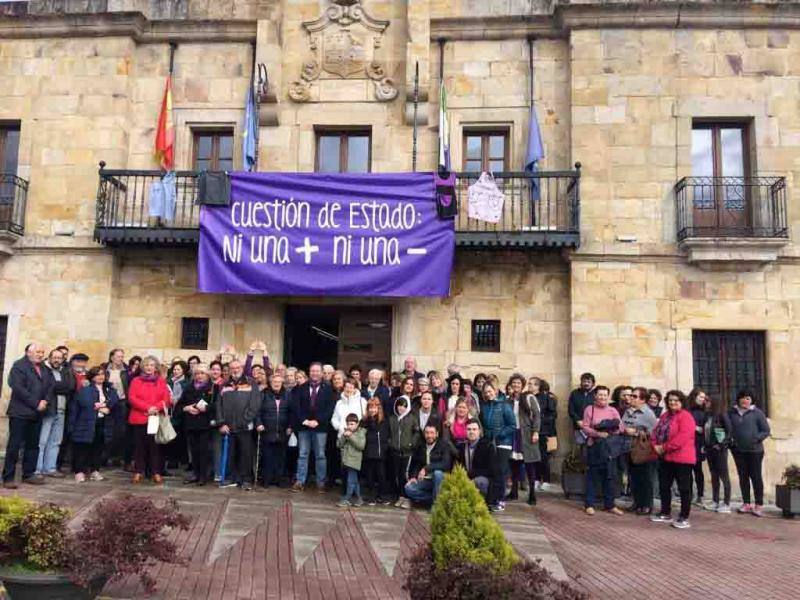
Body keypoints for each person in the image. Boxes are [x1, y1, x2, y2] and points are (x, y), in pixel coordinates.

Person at [3, 343, 51, 488]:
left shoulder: (44, 368)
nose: (40, 355)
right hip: (20, 412)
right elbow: (18, 387)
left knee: (33, 445)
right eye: (37, 352)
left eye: (42, 352)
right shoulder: (19, 366)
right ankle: (8, 478)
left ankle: (28, 474)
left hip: (37, 413)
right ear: (28, 353)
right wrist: (36, 403)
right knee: (14, 446)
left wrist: (45, 401)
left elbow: (51, 386)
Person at [650, 390, 696, 529]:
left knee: (684, 488)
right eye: (670, 400)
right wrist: (655, 446)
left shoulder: (686, 417)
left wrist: (664, 447)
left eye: (676, 400)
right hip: (665, 457)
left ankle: (684, 516)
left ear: (681, 402)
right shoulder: (665, 416)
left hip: (682, 458)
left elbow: (683, 437)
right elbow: (655, 432)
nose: (673, 402)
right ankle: (665, 512)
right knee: (664, 486)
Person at [216, 359, 261, 491]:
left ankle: (246, 479)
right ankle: (230, 478)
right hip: (228, 427)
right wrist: (222, 423)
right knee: (230, 454)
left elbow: (255, 404)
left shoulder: (251, 382)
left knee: (246, 454)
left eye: (237, 367)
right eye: (232, 368)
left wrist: (245, 419)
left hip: (245, 426)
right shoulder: (224, 384)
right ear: (229, 369)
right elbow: (218, 405)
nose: (235, 370)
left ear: (241, 367)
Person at [581, 386, 625, 516]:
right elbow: (585, 427)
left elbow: (621, 427)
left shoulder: (612, 410)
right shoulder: (590, 409)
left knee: (609, 476)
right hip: (595, 446)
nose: (603, 397)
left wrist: (612, 430)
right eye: (600, 395)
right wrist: (597, 433)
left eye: (605, 395)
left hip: (610, 447)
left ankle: (610, 505)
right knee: (592, 476)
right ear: (595, 396)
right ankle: (589, 504)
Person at [127, 356, 172, 484]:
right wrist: (147, 407)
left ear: (155, 368)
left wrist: (155, 408)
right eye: (146, 365)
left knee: (155, 446)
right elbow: (132, 397)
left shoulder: (161, 381)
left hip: (155, 417)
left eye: (152, 365)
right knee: (139, 446)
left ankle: (155, 472)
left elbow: (166, 399)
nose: (149, 368)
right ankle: (138, 471)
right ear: (142, 367)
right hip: (139, 416)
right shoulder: (136, 381)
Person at [291, 362, 334, 493]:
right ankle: (300, 481)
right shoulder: (301, 388)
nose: (315, 373)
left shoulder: (328, 389)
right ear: (309, 372)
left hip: (320, 428)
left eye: (317, 371)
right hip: (304, 427)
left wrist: (318, 421)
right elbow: (296, 406)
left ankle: (321, 483)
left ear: (321, 373)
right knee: (303, 454)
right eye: (312, 371)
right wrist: (305, 420)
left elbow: (330, 408)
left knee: (320, 455)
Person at [70, 366, 118, 482]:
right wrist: (99, 407)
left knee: (98, 447)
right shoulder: (86, 389)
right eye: (97, 374)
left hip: (102, 422)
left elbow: (114, 399)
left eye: (102, 374)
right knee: (83, 448)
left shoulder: (109, 389)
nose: (100, 376)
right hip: (86, 421)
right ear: (92, 377)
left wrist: (106, 407)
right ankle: (79, 471)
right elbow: (85, 403)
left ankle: (95, 470)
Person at [729, 390, 770, 517]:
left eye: (747, 398)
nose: (745, 401)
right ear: (738, 399)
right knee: (743, 477)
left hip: (755, 451)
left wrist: (756, 439)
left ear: (751, 400)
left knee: (756, 477)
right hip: (739, 451)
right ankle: (746, 503)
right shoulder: (733, 413)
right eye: (742, 398)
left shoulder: (757, 413)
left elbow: (766, 430)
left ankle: (758, 505)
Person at [177, 364, 216, 486]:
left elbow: (217, 405)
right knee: (193, 451)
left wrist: (206, 408)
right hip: (191, 424)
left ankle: (203, 476)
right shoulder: (189, 388)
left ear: (207, 375)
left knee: (204, 451)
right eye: (197, 373)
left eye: (202, 373)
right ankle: (196, 473)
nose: (199, 376)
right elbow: (179, 405)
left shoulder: (214, 388)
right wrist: (186, 408)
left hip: (205, 424)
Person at [37, 348, 73, 478]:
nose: (57, 360)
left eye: (60, 358)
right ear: (50, 358)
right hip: (48, 410)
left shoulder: (65, 371)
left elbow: (70, 387)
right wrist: (57, 387)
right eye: (55, 357)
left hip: (62, 410)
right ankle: (38, 469)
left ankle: (50, 468)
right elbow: (47, 387)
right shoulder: (44, 370)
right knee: (42, 441)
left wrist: (56, 387)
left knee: (56, 441)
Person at [480, 382, 515, 512]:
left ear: (495, 390)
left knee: (500, 473)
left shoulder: (504, 405)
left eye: (490, 391)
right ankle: (491, 500)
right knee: (493, 472)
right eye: (486, 392)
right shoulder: (484, 407)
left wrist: (500, 434)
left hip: (503, 443)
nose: (488, 394)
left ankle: (500, 500)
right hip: (490, 443)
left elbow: (512, 425)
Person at [622, 387, 658, 515]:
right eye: (631, 395)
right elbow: (622, 425)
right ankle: (637, 502)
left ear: (643, 400)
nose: (631, 398)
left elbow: (654, 433)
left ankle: (647, 505)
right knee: (634, 478)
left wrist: (637, 432)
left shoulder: (648, 414)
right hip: (629, 448)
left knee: (645, 478)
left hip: (643, 450)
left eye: (634, 396)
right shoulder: (628, 412)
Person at [404, 423, 455, 508]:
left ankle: (436, 506)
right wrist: (413, 476)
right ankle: (436, 499)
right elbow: (416, 463)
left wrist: (426, 468)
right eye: (427, 433)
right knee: (409, 488)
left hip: (441, 479)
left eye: (432, 433)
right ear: (424, 434)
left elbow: (446, 464)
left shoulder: (444, 445)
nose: (429, 435)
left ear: (437, 434)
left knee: (437, 473)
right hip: (426, 480)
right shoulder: (421, 446)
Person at [256, 372, 292, 488]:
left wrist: (290, 426)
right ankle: (267, 480)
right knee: (267, 456)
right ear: (270, 383)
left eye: (279, 382)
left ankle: (279, 480)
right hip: (267, 430)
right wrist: (259, 423)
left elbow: (291, 412)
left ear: (282, 383)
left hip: (282, 431)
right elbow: (257, 411)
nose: (276, 384)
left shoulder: (287, 394)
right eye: (274, 382)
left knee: (280, 457)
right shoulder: (263, 394)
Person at [703, 394, 733, 513]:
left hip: (720, 450)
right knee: (714, 475)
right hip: (710, 450)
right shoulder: (708, 415)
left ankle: (726, 503)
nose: (705, 403)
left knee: (724, 476)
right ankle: (715, 500)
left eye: (708, 401)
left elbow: (729, 432)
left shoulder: (722, 415)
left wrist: (721, 445)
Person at [389, 397, 420, 509]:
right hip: (395, 451)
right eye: (399, 405)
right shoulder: (392, 418)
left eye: (404, 406)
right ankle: (400, 496)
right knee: (397, 475)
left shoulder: (412, 418)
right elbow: (389, 433)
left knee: (405, 474)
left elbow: (417, 433)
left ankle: (407, 497)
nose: (401, 408)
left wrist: (411, 443)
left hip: (407, 453)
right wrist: (391, 443)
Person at [457, 418, 496, 504]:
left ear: (479, 431)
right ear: (465, 431)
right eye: (469, 429)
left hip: (483, 479)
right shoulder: (461, 447)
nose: (471, 432)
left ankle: (481, 505)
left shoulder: (488, 446)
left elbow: (491, 470)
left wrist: (471, 474)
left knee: (478, 482)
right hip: (465, 477)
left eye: (474, 429)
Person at [361, 398, 390, 505]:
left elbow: (384, 435)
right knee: (370, 475)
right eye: (370, 408)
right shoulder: (365, 421)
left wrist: (385, 448)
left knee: (381, 475)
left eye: (374, 407)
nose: (372, 410)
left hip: (380, 452)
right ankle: (371, 496)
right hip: (369, 452)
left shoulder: (383, 421)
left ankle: (382, 495)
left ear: (379, 408)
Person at [105, 348, 130, 468]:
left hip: (121, 402)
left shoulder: (126, 371)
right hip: (108, 402)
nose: (120, 359)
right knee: (108, 430)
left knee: (120, 431)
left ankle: (118, 457)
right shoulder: (105, 370)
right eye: (118, 356)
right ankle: (106, 456)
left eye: (122, 356)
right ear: (112, 357)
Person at [531, 377, 557, 490]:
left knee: (544, 457)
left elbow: (552, 415)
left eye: (533, 384)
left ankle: (546, 480)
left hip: (544, 431)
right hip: (532, 431)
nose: (530, 386)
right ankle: (536, 479)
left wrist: (543, 425)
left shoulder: (548, 397)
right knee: (534, 456)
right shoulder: (531, 397)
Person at [517, 387, 541, 506]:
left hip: (527, 434)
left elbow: (536, 414)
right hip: (514, 434)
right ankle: (513, 492)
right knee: (514, 464)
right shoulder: (507, 399)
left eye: (518, 383)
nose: (515, 386)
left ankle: (532, 493)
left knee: (530, 465)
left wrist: (536, 431)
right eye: (513, 383)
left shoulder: (528, 397)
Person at [337, 413, 366, 507]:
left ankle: (347, 498)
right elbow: (339, 444)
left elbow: (361, 446)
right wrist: (344, 436)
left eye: (352, 424)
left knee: (351, 481)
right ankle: (359, 499)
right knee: (354, 481)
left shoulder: (361, 432)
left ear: (357, 424)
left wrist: (351, 436)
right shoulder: (346, 432)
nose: (350, 426)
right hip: (346, 461)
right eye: (348, 424)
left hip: (354, 461)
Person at [687, 387, 708, 506]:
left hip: (699, 443)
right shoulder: (687, 410)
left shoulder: (704, 411)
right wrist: (693, 428)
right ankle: (688, 494)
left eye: (704, 397)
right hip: (688, 443)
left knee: (698, 470)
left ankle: (700, 495)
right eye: (700, 397)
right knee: (687, 471)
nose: (702, 399)